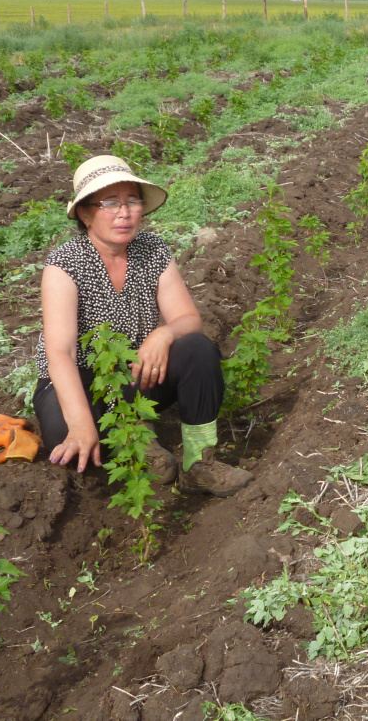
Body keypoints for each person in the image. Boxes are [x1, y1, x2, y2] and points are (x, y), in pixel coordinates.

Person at [32, 155, 253, 497]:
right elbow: (60, 352)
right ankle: (130, 437)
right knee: (69, 440)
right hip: (80, 381)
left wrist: (164, 333)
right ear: (85, 213)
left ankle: (199, 464)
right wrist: (80, 425)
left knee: (197, 348)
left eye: (131, 201)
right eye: (109, 203)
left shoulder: (151, 250)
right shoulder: (65, 264)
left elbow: (188, 319)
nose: (124, 213)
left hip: (135, 373)